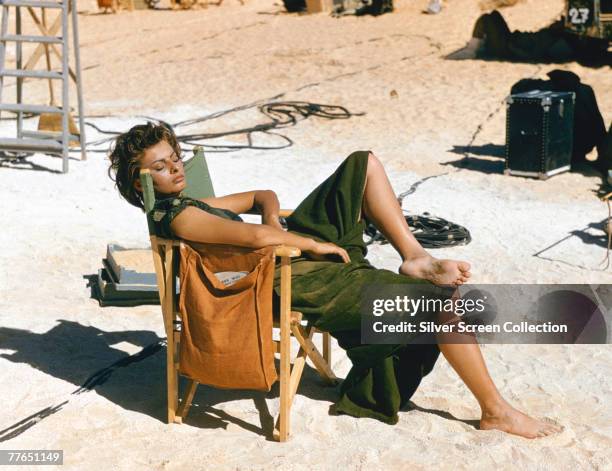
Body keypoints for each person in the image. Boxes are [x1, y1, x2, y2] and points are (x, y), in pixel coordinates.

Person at [108, 122, 563, 438]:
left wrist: (280, 224)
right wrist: (309, 243)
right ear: (139, 183)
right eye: (162, 168)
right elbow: (253, 237)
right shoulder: (182, 219)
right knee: (440, 304)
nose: (176, 169)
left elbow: (262, 197)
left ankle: (415, 256)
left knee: (361, 165)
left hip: (285, 255)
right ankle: (495, 411)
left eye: (175, 158)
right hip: (278, 279)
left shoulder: (191, 199)